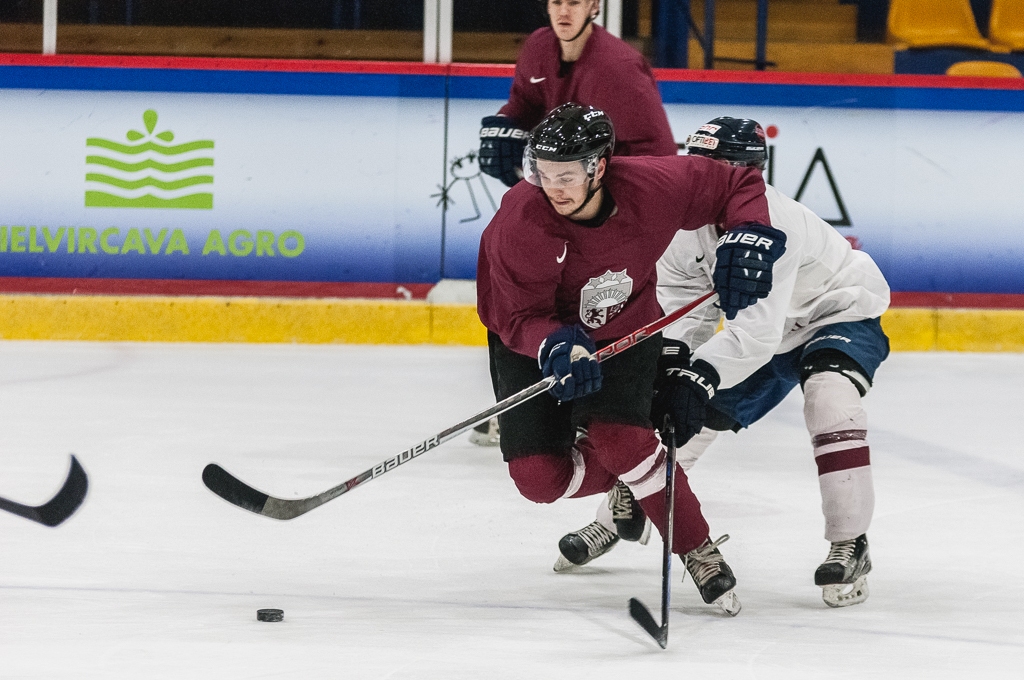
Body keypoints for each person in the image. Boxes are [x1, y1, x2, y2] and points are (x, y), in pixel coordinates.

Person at [557, 117, 890, 609]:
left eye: (719, 167)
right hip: (767, 332)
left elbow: (755, 333)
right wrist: (670, 365)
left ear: (749, 173)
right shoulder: (681, 226)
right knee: (682, 414)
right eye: (697, 165)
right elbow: (678, 310)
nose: (704, 177)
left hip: (837, 312)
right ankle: (616, 519)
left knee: (830, 402)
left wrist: (700, 375)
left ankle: (850, 542)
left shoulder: (772, 226)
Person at [477, 103, 788, 616]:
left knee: (627, 443)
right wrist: (555, 344)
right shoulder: (521, 219)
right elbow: (513, 315)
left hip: (625, 330)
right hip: (534, 343)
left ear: (599, 166)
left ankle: (696, 548)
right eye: (543, 173)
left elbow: (737, 183)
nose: (552, 187)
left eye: (566, 175)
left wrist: (748, 231)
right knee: (538, 480)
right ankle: (630, 469)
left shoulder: (655, 185)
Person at [471, 0, 677, 449]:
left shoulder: (619, 68)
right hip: (561, 200)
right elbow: (524, 104)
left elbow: (659, 157)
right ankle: (529, 405)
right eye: (556, 1)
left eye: (575, 1)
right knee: (525, 293)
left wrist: (595, 191)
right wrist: (506, 127)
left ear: (595, 6)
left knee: (588, 306)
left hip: (607, 214)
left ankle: (607, 408)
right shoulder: (539, 47)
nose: (564, 10)